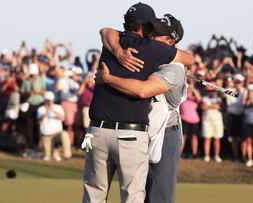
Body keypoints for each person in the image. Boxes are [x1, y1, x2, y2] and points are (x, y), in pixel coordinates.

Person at [82, 3, 193, 203]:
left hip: (162, 133)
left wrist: (107, 78)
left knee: (155, 197)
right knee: (133, 197)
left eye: (157, 32)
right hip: (131, 135)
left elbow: (143, 90)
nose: (151, 34)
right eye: (151, 29)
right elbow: (107, 31)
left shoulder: (172, 67)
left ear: (170, 41)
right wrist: (118, 52)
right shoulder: (147, 48)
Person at [37, 91, 72, 161]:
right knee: (47, 157)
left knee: (64, 134)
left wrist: (52, 110)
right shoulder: (41, 109)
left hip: (57, 135)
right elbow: (40, 121)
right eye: (47, 101)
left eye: (50, 101)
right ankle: (53, 153)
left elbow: (62, 118)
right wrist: (46, 112)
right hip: (46, 136)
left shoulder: (58, 107)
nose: (48, 102)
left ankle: (67, 155)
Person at [20, 63, 46, 148]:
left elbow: (45, 91)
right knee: (29, 124)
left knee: (38, 124)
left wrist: (39, 91)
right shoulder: (26, 81)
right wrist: (28, 93)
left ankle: (37, 142)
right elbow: (22, 92)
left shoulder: (41, 79)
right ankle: (30, 142)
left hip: (39, 104)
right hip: (30, 104)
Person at [225, 73, 245, 161]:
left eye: (239, 82)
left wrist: (240, 90)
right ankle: (236, 155)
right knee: (233, 137)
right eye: (236, 81)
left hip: (242, 115)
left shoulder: (245, 91)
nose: (237, 83)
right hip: (232, 116)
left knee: (243, 137)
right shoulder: (229, 90)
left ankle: (244, 156)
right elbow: (225, 94)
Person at [201, 84, 223, 163]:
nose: (211, 92)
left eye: (213, 91)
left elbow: (218, 105)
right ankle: (207, 155)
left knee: (217, 139)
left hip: (217, 121)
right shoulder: (204, 98)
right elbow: (204, 108)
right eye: (210, 91)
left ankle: (217, 155)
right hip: (207, 121)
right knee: (207, 138)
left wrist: (209, 106)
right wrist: (213, 106)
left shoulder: (218, 98)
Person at [180, 78, 201, 158]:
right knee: (183, 137)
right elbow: (185, 95)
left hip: (194, 119)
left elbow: (199, 99)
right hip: (184, 118)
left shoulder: (195, 95)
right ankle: (179, 153)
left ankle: (194, 154)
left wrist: (193, 89)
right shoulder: (184, 94)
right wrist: (188, 88)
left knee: (194, 137)